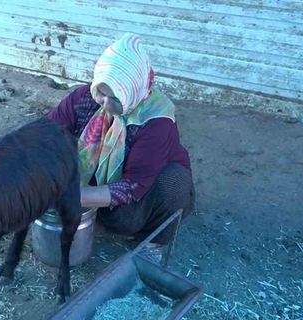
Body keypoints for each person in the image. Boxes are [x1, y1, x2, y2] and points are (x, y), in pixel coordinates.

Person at [46, 33, 195, 259]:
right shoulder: (83, 98)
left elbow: (134, 186)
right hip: (92, 189)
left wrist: (71, 196)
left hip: (138, 200)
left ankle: (155, 242)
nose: (105, 104)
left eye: (116, 98)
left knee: (174, 182)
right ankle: (91, 212)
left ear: (132, 91)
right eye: (102, 93)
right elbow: (45, 133)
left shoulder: (156, 121)